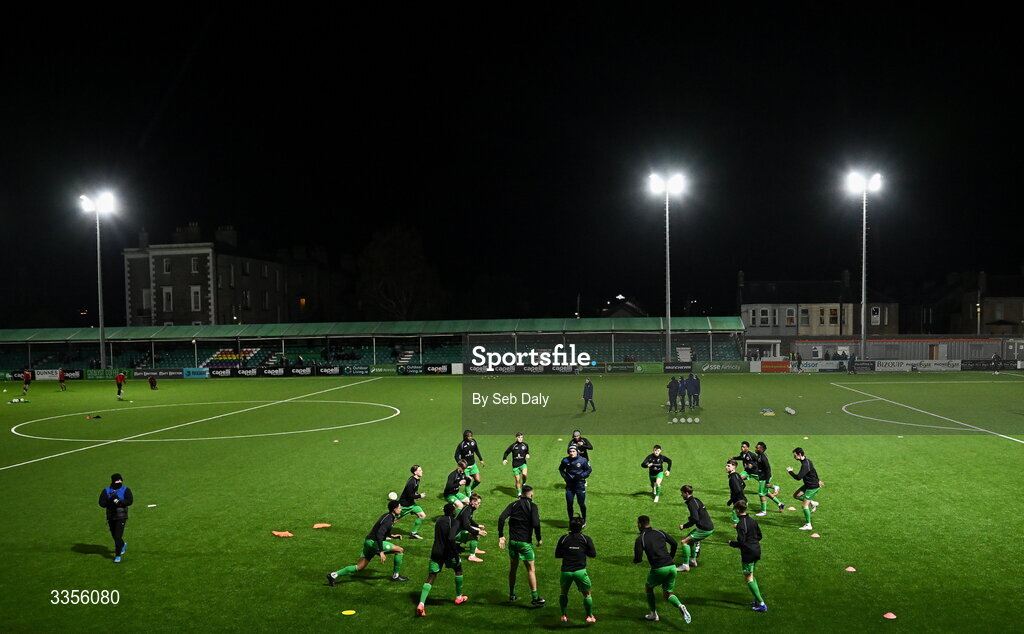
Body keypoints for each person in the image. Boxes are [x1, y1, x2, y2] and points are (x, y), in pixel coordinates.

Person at [326, 500, 408, 584]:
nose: (401, 509)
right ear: (394, 509)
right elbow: (379, 534)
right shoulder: (388, 520)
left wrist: (392, 536)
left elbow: (381, 531)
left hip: (368, 542)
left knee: (359, 567)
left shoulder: (387, 516)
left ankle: (333, 575)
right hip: (374, 543)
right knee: (399, 550)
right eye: (399, 507)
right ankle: (396, 576)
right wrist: (381, 552)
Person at [633, 515, 691, 623]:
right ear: (649, 523)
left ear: (640, 524)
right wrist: (671, 556)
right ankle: (680, 605)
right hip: (672, 567)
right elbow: (674, 543)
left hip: (659, 569)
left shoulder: (641, 538)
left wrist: (635, 560)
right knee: (667, 594)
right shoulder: (660, 532)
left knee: (648, 588)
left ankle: (653, 614)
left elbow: (638, 559)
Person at [415, 503, 467, 617]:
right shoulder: (454, 522)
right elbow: (451, 538)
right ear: (453, 512)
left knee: (431, 576)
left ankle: (421, 603)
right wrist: (456, 554)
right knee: (458, 569)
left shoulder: (438, 520)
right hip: (448, 553)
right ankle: (459, 597)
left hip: (436, 552)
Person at [497, 486, 545, 605]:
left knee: (513, 569)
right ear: (531, 495)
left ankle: (512, 594)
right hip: (524, 543)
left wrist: (501, 535)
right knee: (531, 570)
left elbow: (501, 518)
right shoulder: (532, 506)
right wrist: (539, 538)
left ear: (522, 494)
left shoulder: (513, 505)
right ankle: (535, 597)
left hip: (513, 542)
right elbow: (536, 523)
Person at [555, 516, 597, 623]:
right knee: (587, 594)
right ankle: (589, 616)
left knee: (564, 593)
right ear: (582, 527)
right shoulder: (585, 539)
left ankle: (563, 615)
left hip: (566, 572)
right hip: (580, 572)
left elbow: (557, 554)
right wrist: (582, 551)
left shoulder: (563, 538)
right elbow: (593, 554)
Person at [728, 499, 767, 612]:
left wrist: (732, 543)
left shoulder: (740, 524)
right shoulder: (752, 520)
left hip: (748, 553)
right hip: (757, 550)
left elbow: (741, 542)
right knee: (752, 575)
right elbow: (759, 536)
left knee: (748, 578)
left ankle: (761, 603)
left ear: (737, 510)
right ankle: (756, 599)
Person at [677, 485, 714, 572]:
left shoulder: (691, 503)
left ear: (686, 493)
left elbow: (695, 518)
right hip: (707, 526)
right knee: (691, 541)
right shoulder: (696, 500)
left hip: (704, 529)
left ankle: (685, 565)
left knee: (684, 542)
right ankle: (693, 561)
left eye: (682, 493)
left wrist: (684, 526)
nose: (681, 495)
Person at [98, 473, 133, 563]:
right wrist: (110, 501)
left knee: (117, 536)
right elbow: (101, 503)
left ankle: (117, 556)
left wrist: (119, 502)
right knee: (114, 536)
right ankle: (122, 544)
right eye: (117, 480)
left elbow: (129, 501)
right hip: (111, 516)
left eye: (120, 480)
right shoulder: (106, 491)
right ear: (113, 481)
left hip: (121, 516)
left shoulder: (125, 489)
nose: (119, 482)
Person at [786, 447, 821, 531]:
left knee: (804, 505)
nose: (794, 457)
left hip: (812, 487)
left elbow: (798, 477)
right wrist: (818, 480)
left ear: (799, 454)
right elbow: (814, 471)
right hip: (808, 484)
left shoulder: (805, 465)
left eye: (795, 455)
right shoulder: (808, 461)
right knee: (796, 495)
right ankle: (812, 502)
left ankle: (808, 524)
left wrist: (790, 471)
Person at [559, 446, 591, 524]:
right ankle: (571, 521)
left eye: (573, 451)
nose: (572, 453)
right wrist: (565, 477)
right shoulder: (565, 460)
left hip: (579, 485)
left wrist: (581, 476)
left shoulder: (583, 460)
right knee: (569, 503)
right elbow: (561, 469)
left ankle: (584, 520)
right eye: (570, 451)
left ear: (577, 452)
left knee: (581, 503)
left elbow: (589, 470)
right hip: (570, 486)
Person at [751, 442, 784, 516]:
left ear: (761, 449)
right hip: (762, 476)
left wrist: (767, 481)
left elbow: (768, 469)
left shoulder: (763, 457)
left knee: (761, 494)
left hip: (764, 477)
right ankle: (780, 504)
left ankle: (764, 511)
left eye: (757, 447)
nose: (755, 448)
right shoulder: (759, 456)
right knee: (767, 493)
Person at [455, 493, 487, 562]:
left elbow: (469, 519)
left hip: (459, 530)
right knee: (475, 535)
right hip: (456, 534)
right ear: (473, 502)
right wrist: (477, 532)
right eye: (478, 503)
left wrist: (477, 525)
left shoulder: (470, 508)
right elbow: (466, 526)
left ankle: (474, 548)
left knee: (477, 530)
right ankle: (472, 556)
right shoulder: (467, 511)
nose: (479, 504)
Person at [398, 465, 428, 539]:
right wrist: (419, 496)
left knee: (422, 515)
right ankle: (384, 534)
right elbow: (409, 495)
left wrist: (417, 495)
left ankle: (413, 533)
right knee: (394, 519)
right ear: (415, 472)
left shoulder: (417, 479)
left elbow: (413, 492)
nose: (422, 471)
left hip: (411, 504)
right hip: (404, 505)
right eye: (420, 470)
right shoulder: (411, 482)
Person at [455, 430, 485, 494]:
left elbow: (476, 450)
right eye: (469, 436)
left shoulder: (473, 442)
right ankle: (468, 497)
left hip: (473, 465)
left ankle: (470, 490)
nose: (471, 437)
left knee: (478, 480)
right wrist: (461, 464)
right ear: (465, 437)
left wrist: (481, 459)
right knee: (467, 483)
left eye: (471, 436)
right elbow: (456, 456)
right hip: (466, 468)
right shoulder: (461, 445)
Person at [726, 460, 746, 525]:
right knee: (741, 520)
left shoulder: (733, 478)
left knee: (736, 521)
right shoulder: (737, 474)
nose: (726, 467)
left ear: (734, 467)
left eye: (729, 466)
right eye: (726, 466)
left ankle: (741, 533)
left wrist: (731, 500)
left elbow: (737, 490)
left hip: (738, 503)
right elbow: (743, 485)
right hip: (743, 500)